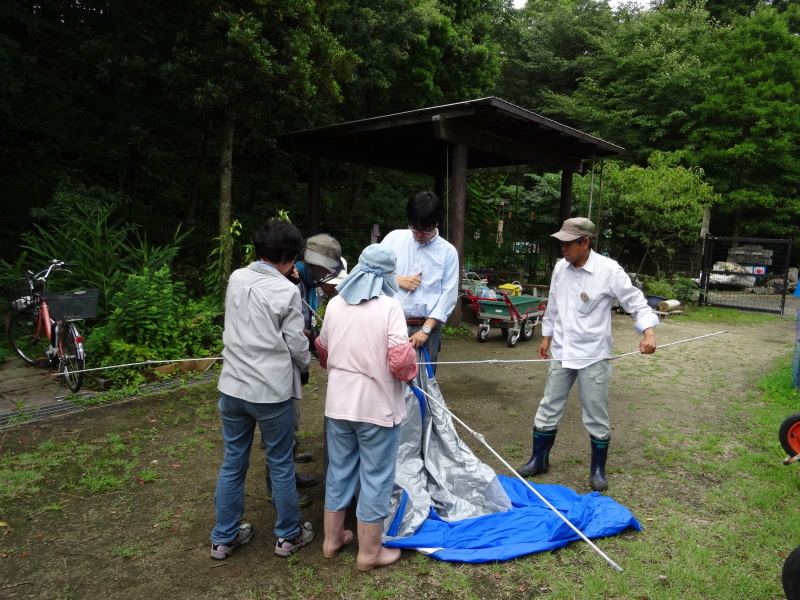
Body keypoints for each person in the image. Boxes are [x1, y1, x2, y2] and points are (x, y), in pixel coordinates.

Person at [516, 217, 659, 492]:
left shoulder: (608, 270)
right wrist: (546, 338)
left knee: (595, 411)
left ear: (585, 242)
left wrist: (648, 332)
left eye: (569, 243)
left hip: (593, 354)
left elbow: (635, 301)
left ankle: (597, 470)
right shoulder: (561, 268)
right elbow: (554, 306)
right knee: (549, 405)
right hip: (562, 350)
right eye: (561, 243)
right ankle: (539, 459)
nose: (563, 249)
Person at [210, 219, 314, 560]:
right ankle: (288, 535)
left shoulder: (237, 278)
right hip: (271, 391)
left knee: (233, 462)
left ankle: (223, 538)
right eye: (294, 259)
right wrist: (305, 367)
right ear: (287, 256)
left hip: (233, 387)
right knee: (280, 462)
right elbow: (298, 346)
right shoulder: (287, 291)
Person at [314, 244, 418, 571]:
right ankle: (369, 553)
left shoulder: (334, 304)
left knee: (339, 469)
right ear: (388, 275)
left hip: (338, 405)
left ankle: (331, 541)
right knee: (376, 475)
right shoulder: (390, 307)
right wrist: (412, 375)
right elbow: (401, 361)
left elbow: (323, 352)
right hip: (377, 407)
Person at [263, 233, 344, 503]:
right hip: (282, 364)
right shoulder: (289, 280)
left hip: (294, 365)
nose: (324, 276)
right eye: (322, 269)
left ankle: (289, 475)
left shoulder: (306, 282)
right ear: (310, 263)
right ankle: (278, 488)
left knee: (292, 422)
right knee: (281, 427)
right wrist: (309, 345)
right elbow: (290, 331)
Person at [380, 191, 460, 373]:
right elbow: (369, 272)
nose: (419, 234)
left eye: (425, 230)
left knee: (424, 382)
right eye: (414, 228)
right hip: (391, 324)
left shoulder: (447, 252)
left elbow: (448, 295)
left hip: (427, 330)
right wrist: (397, 280)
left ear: (437, 223)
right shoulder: (394, 239)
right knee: (387, 380)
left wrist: (425, 330)